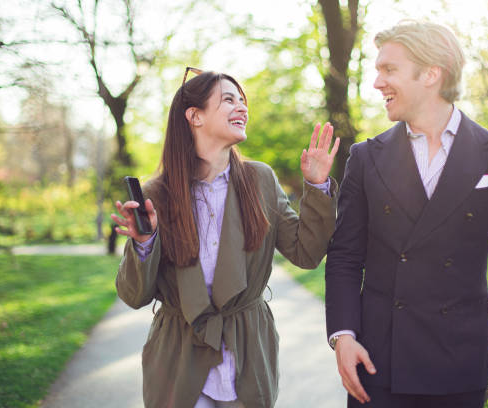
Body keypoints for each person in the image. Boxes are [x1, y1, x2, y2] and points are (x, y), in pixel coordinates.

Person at [325, 20, 488, 408]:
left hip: (458, 368)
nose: (377, 83)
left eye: (389, 70)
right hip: (379, 365)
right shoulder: (365, 157)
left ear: (431, 74)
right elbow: (344, 257)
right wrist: (343, 336)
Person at [112, 68, 340, 408]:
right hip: (177, 363)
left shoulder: (260, 179)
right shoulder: (155, 194)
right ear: (195, 116)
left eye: (242, 101)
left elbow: (306, 254)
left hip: (246, 355)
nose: (242, 108)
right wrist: (144, 244)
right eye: (228, 100)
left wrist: (318, 187)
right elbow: (134, 295)